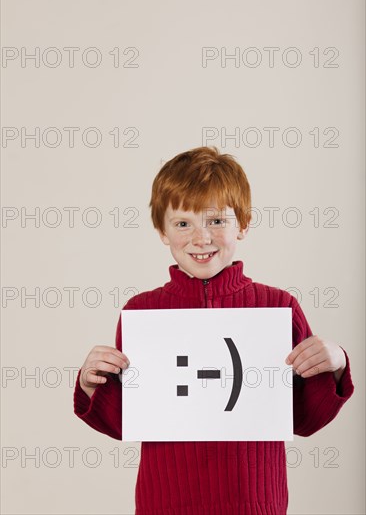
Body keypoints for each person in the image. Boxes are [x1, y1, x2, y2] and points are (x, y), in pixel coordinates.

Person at [74, 146, 354, 515]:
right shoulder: (141, 313)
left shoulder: (278, 307)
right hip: (166, 500)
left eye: (217, 221)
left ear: (244, 223)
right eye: (183, 223)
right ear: (162, 231)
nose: (201, 238)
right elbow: (129, 417)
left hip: (254, 501)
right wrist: (90, 382)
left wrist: (334, 363)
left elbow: (303, 419)